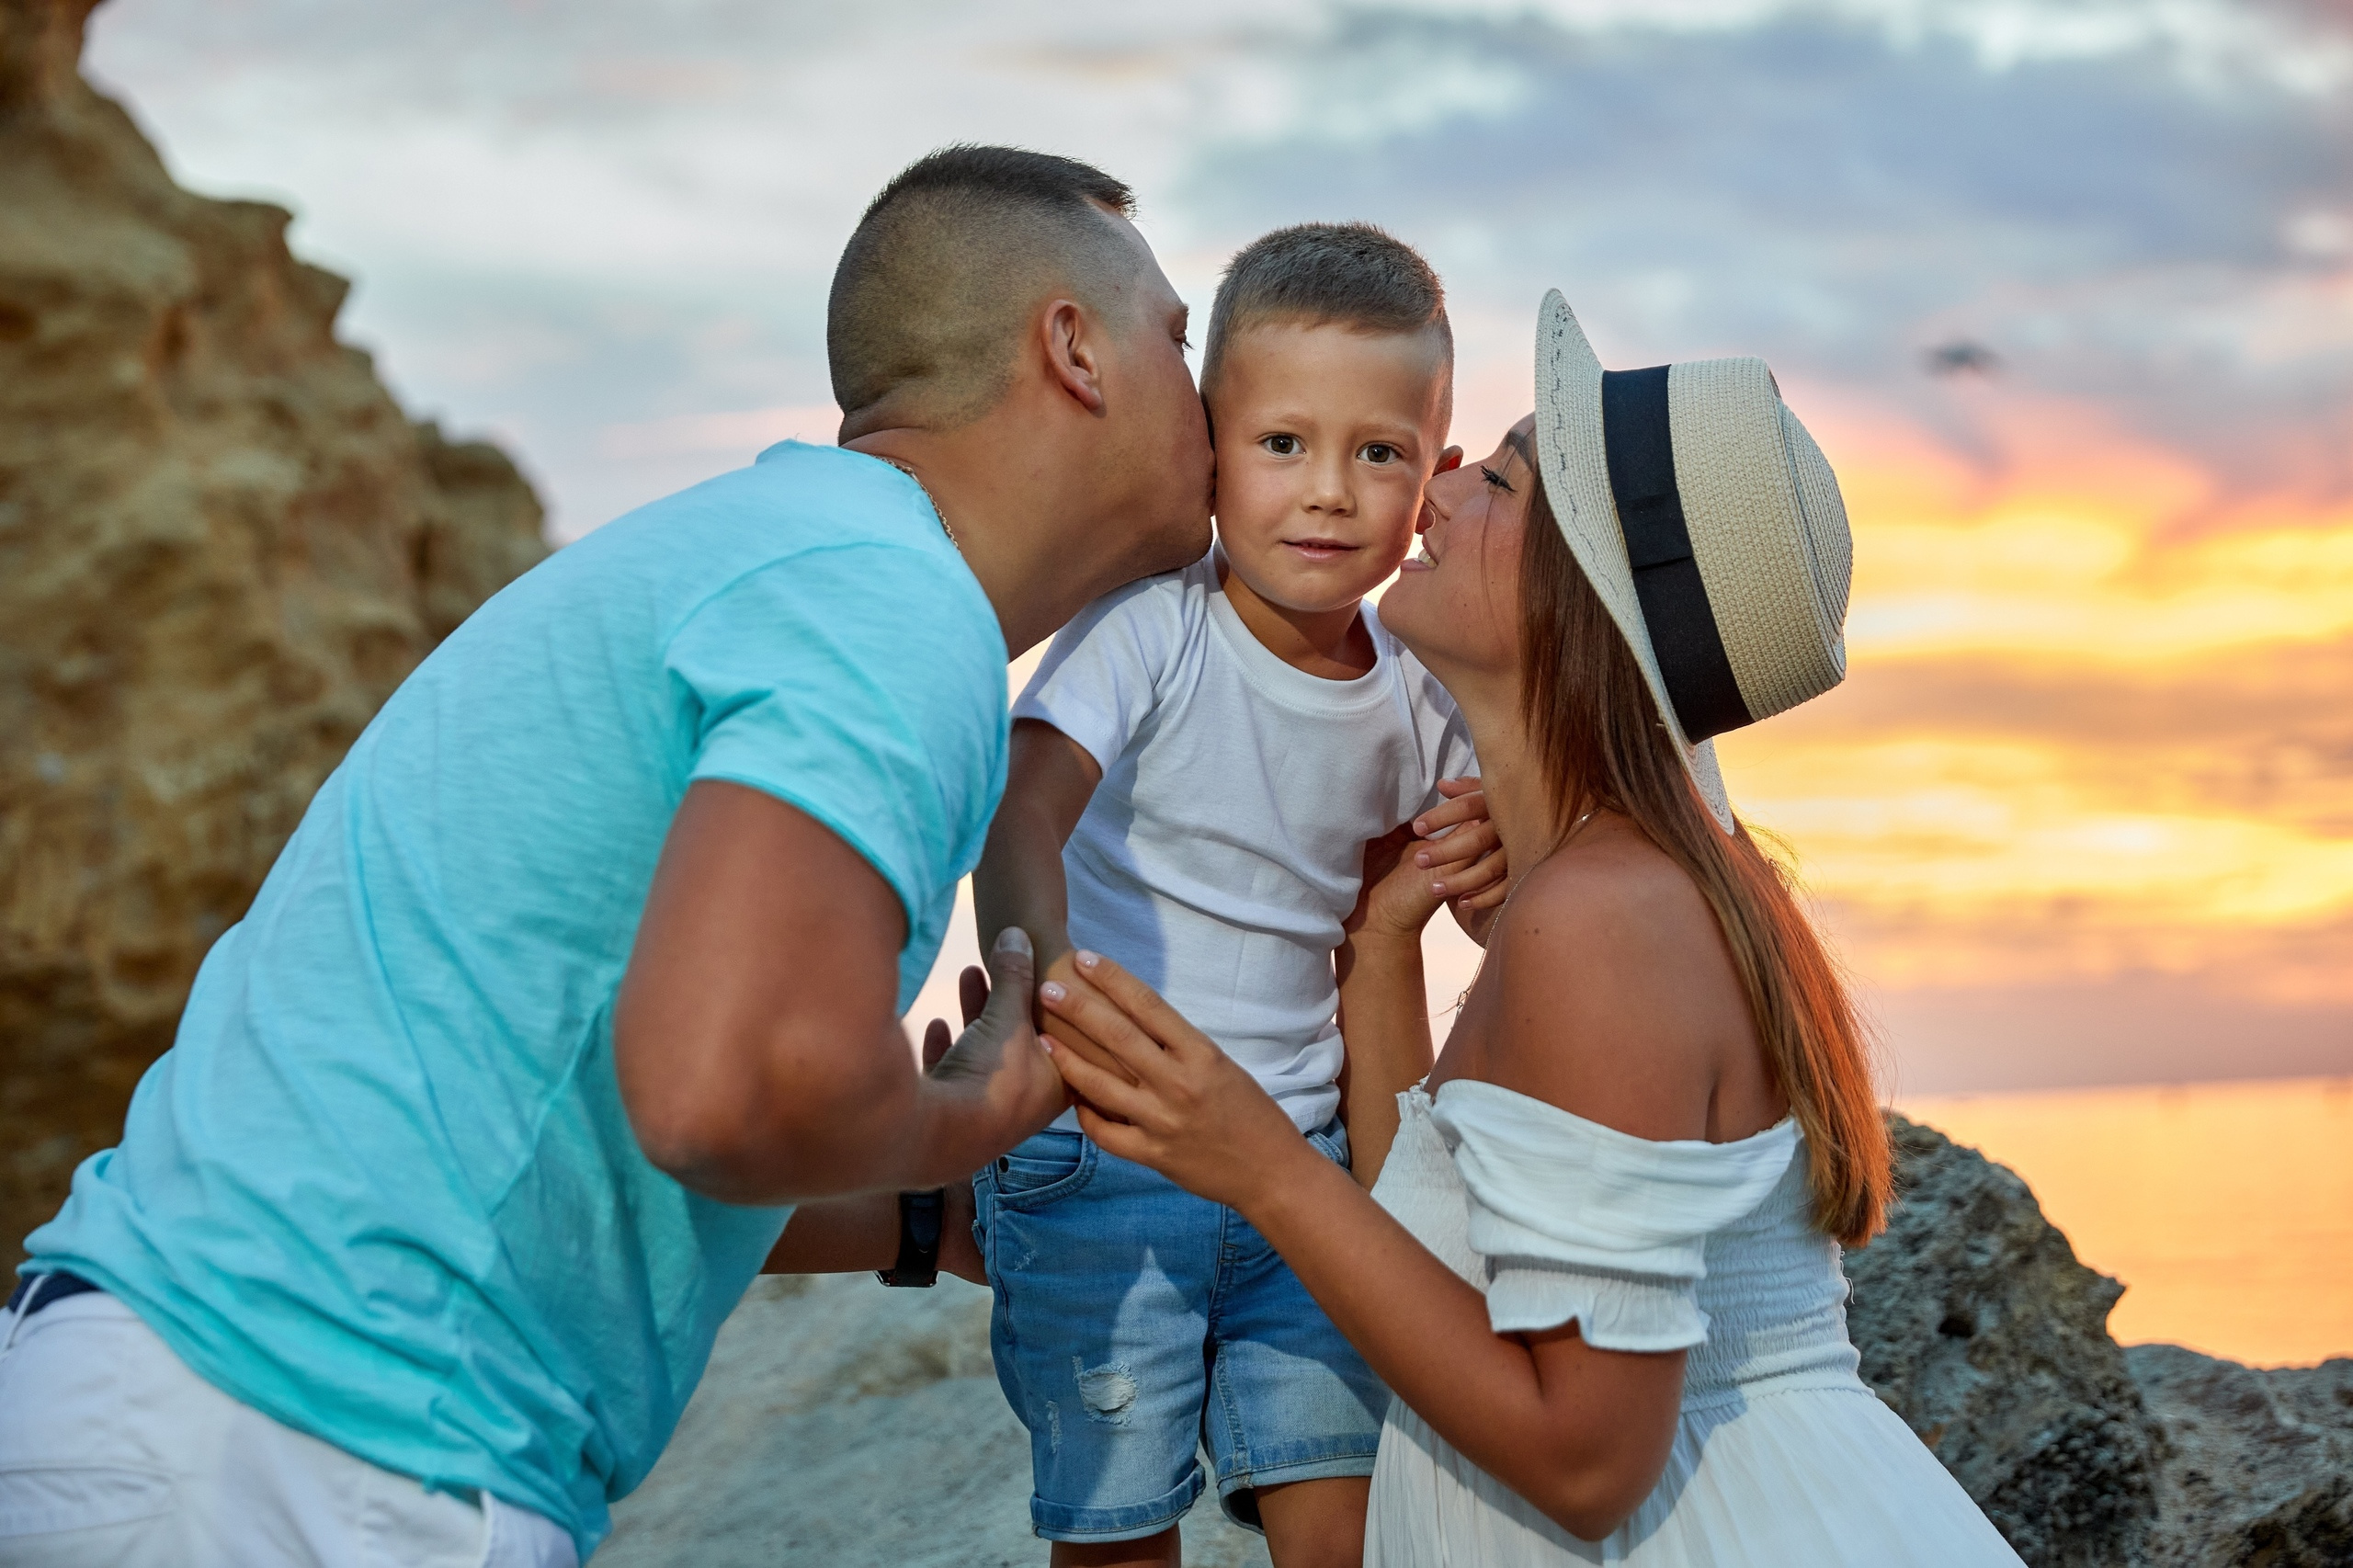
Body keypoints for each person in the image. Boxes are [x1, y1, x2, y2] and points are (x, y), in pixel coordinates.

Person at [0, 145, 1212, 1568]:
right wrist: (970, 1108)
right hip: (325, 1459)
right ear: (1073, 348)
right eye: (1180, 341)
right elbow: (719, 1086)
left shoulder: (774, 556)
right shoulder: (889, 604)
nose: (1212, 397)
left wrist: (918, 1207)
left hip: (197, 1401)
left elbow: (599, 1110)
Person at [1032, 292, 2028, 1564]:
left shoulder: (1609, 916)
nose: (1434, 497)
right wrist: (1382, 949)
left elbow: (1588, 1461)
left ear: (1579, 598)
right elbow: (1431, 1241)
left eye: (1498, 481)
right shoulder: (1609, 884)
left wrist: (1261, 1165)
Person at [970, 222, 1507, 1568]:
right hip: (1109, 1145)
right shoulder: (1156, 627)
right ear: (1209, 445)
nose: (1327, 492)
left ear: (1433, 482)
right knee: (1117, 1531)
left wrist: (1493, 880)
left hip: (1305, 1164)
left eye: (1376, 453)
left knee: (1340, 1524)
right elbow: (1022, 803)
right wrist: (1034, 1002)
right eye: (1281, 445)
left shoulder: (1418, 692)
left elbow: (1513, 914)